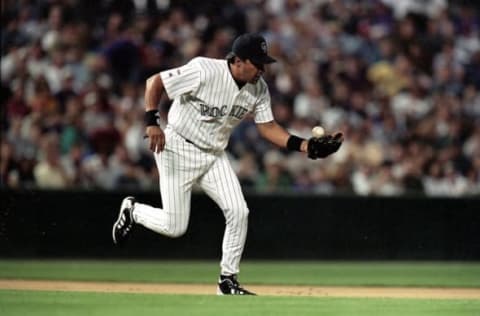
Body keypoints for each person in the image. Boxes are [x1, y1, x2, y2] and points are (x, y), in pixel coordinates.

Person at [112, 33, 343, 295]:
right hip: (177, 146)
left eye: (263, 62)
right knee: (174, 227)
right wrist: (152, 121)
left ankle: (227, 280)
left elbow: (267, 127)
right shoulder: (204, 69)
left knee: (239, 211)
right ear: (238, 61)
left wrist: (305, 146)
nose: (262, 69)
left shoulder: (259, 88)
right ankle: (133, 211)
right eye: (257, 62)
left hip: (214, 155)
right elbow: (155, 83)